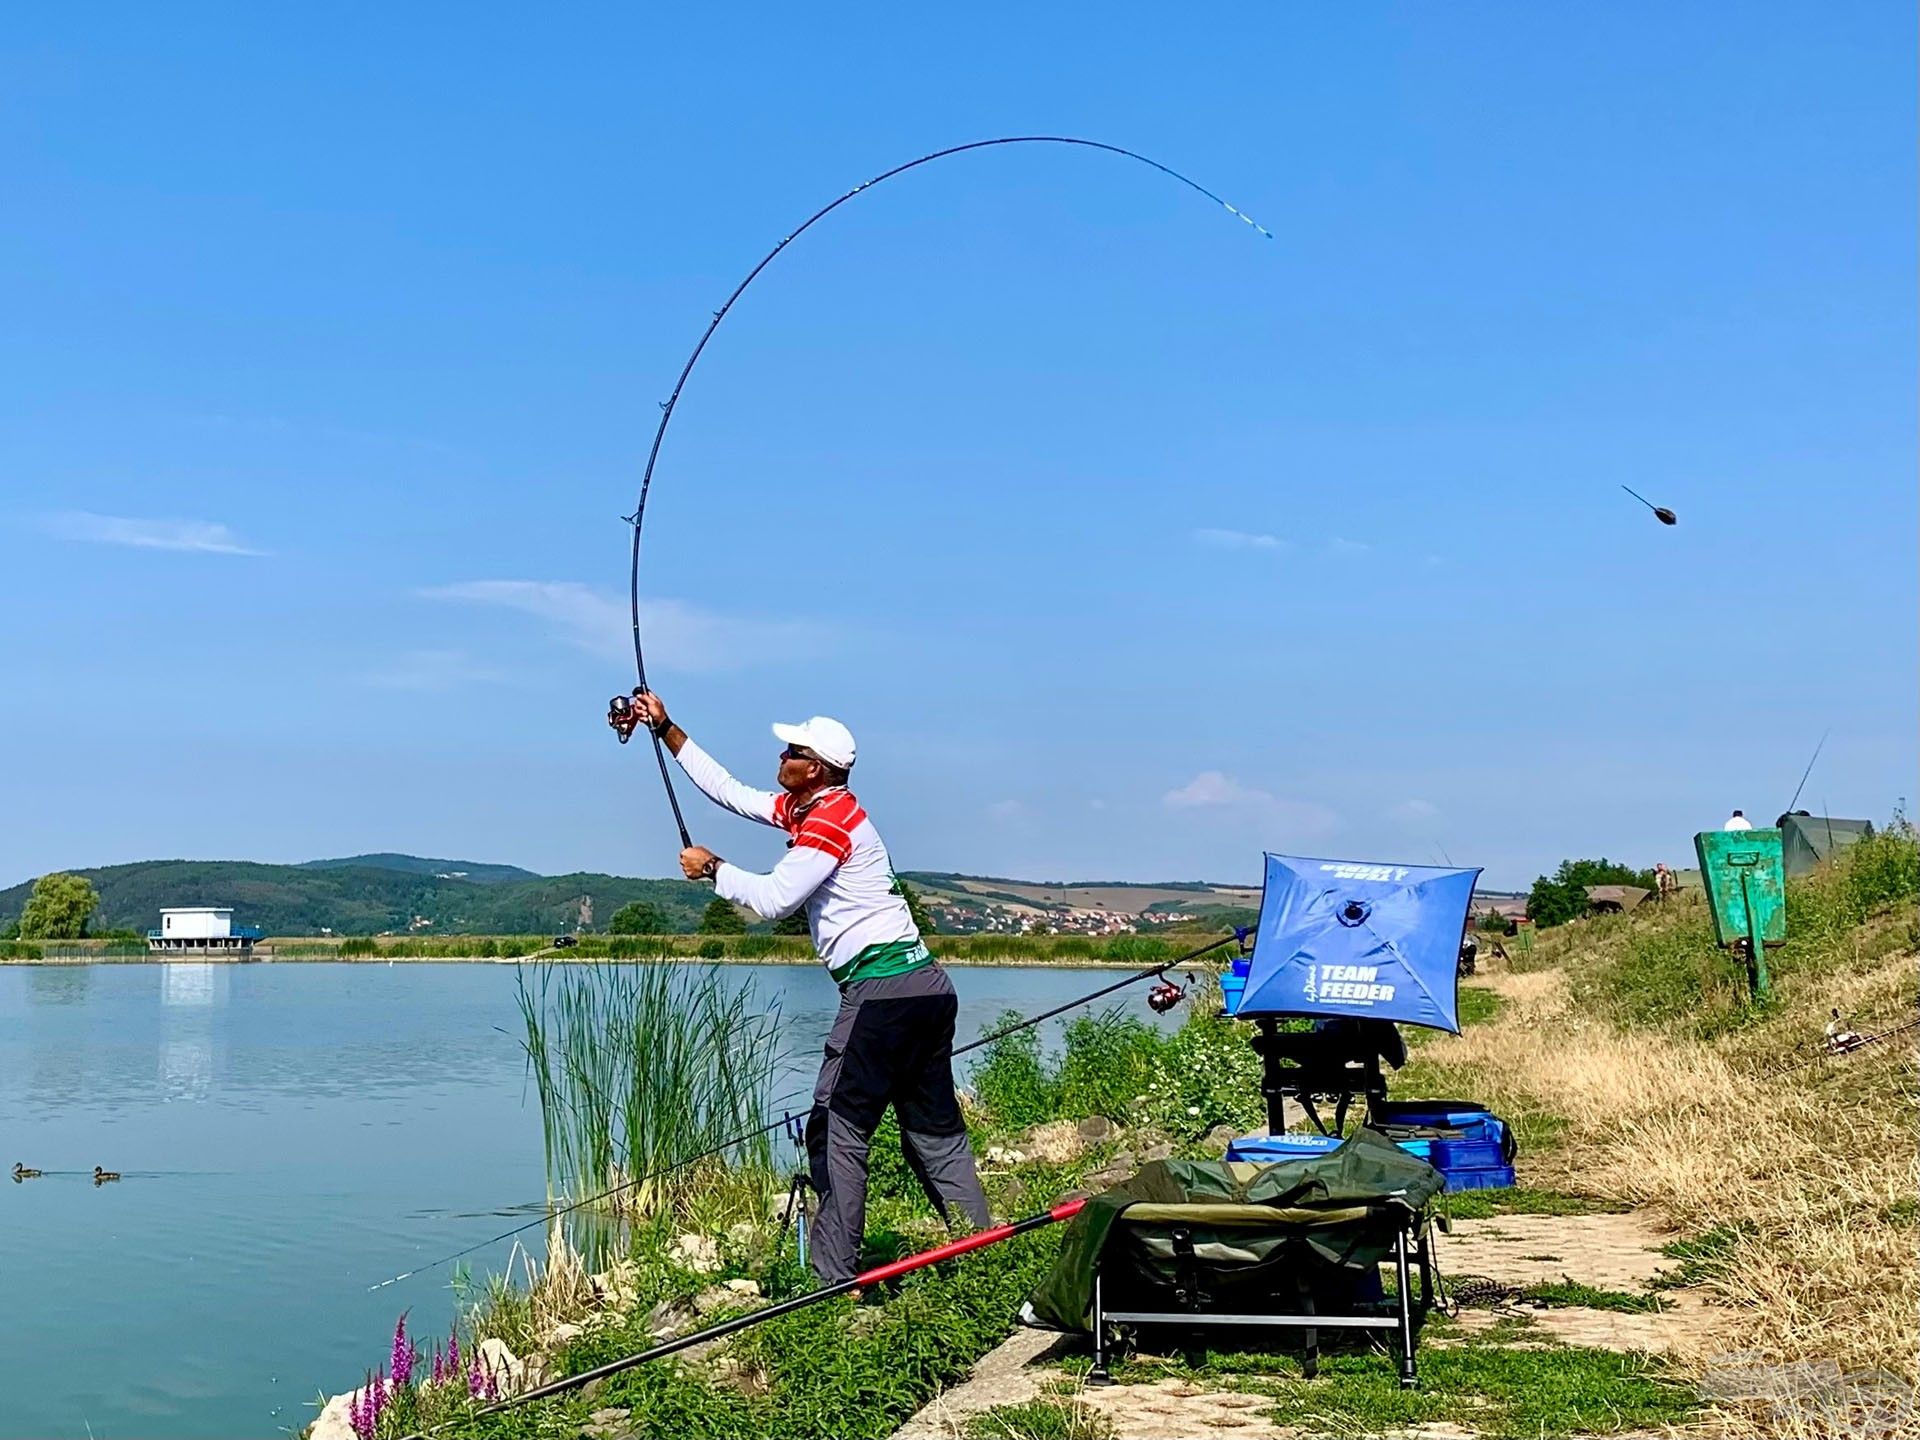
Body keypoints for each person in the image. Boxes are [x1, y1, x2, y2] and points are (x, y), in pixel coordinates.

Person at [629, 692, 990, 1286]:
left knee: (836, 1130)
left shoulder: (826, 824)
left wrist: (713, 868)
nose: (781, 755)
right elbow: (730, 791)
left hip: (881, 991)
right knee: (933, 1128)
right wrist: (666, 728)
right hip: (928, 987)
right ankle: (984, 1258)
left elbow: (775, 900)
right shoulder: (821, 808)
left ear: (816, 767)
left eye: (792, 751)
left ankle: (834, 1280)